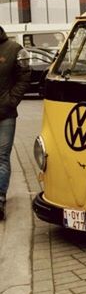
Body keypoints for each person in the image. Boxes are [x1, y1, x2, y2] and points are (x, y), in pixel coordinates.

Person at [0, 26, 30, 220]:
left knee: (2, 156)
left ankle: (0, 198)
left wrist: (11, 100)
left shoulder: (14, 48)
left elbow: (25, 76)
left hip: (5, 114)